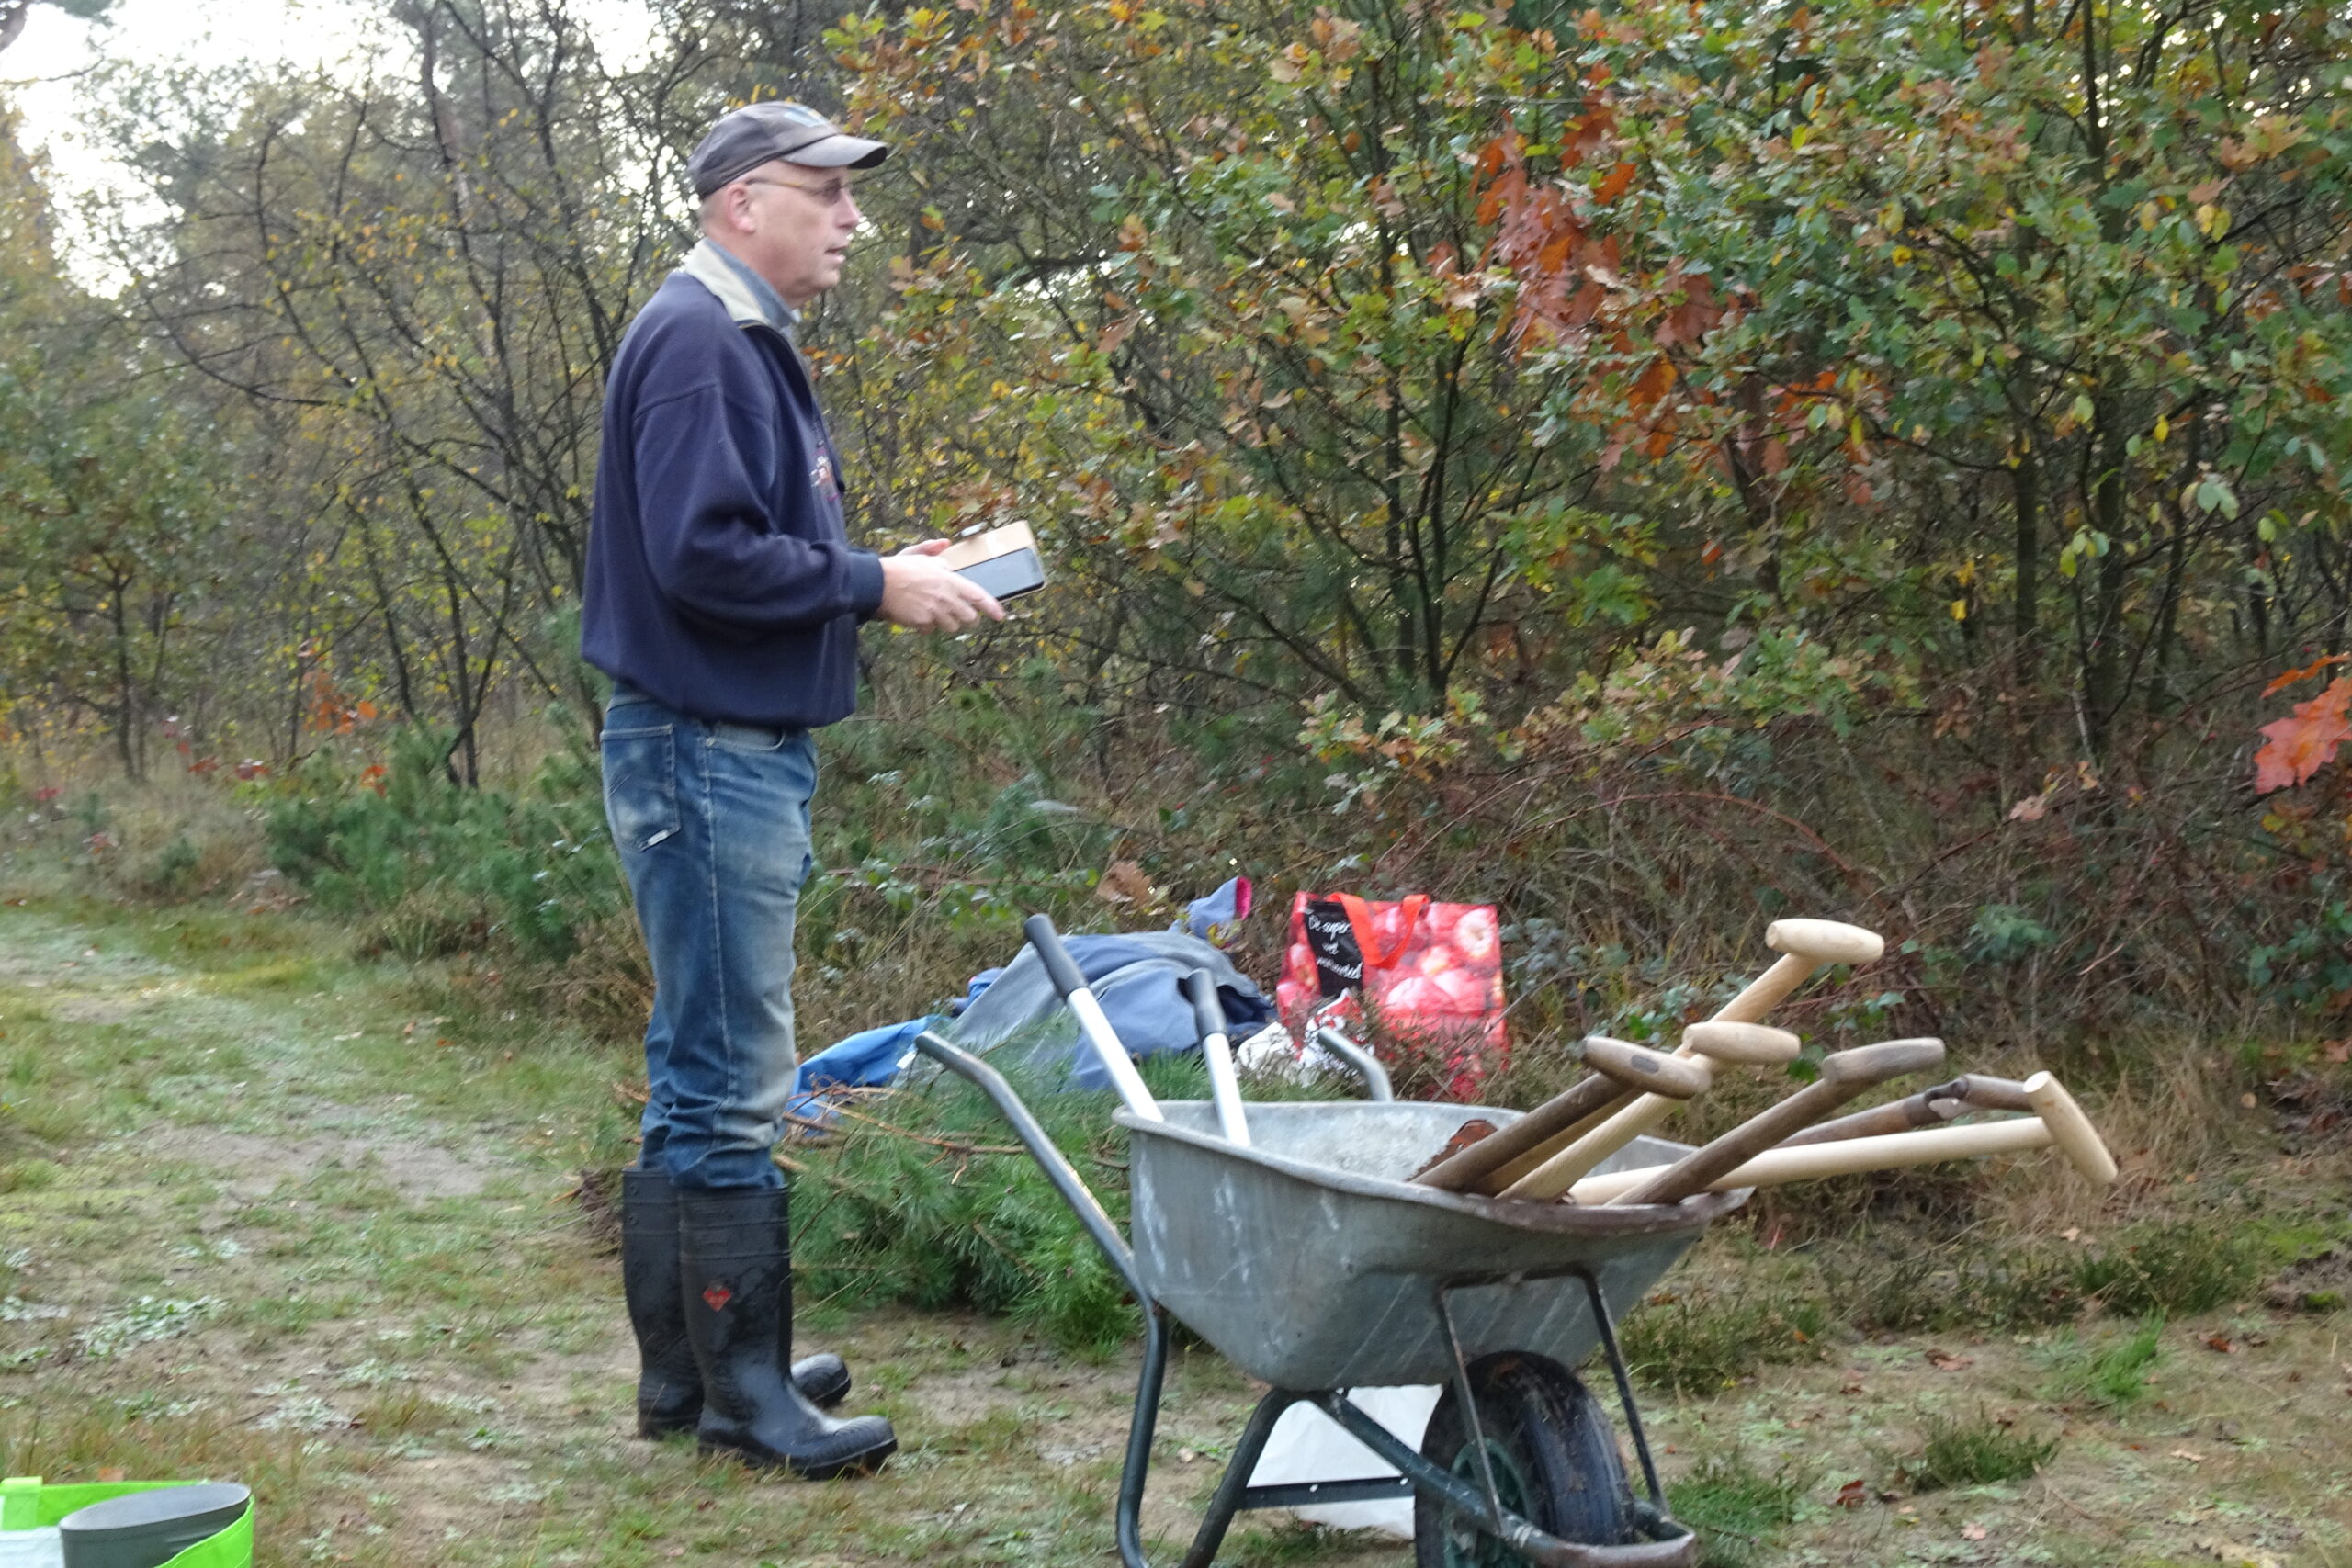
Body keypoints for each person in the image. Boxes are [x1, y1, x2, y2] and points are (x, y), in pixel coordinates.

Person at [580, 100, 1002, 1479]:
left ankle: (690, 1376)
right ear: (743, 201)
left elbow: (746, 544)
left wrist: (882, 565)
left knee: (693, 1068)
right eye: (828, 195)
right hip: (707, 754)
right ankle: (747, 1395)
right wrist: (873, 582)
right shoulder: (705, 340)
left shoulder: (729, 336)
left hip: (711, 746)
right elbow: (705, 556)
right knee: (732, 1080)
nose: (852, 219)